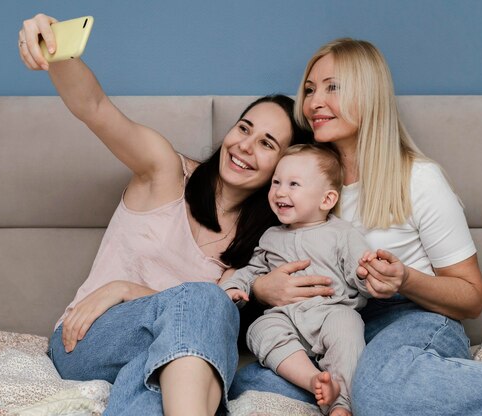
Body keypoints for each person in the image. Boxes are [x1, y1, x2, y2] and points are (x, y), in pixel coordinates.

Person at [229, 38, 482, 415]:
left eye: (334, 87)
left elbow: (472, 298)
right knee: (250, 382)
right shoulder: (295, 178)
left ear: (369, 94)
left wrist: (404, 280)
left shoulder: (418, 179)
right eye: (310, 89)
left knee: (379, 391)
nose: (314, 102)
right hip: (331, 323)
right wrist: (263, 288)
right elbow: (259, 254)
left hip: (409, 316)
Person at [17, 13, 311, 416]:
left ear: (282, 167)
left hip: (171, 356)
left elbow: (210, 323)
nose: (245, 146)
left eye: (266, 143)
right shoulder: (164, 171)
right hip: (86, 339)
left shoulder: (260, 244)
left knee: (168, 373)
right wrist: (56, 48)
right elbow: (96, 108)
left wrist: (127, 288)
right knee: (205, 305)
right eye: (244, 129)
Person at [221, 144, 378, 415]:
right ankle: (312, 380)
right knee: (259, 329)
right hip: (286, 316)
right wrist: (236, 286)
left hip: (331, 311)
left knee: (348, 328)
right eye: (276, 182)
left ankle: (341, 404)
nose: (280, 191)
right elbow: (254, 270)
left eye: (294, 184)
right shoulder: (271, 236)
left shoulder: (341, 233)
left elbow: (359, 268)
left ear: (326, 200)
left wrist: (366, 273)